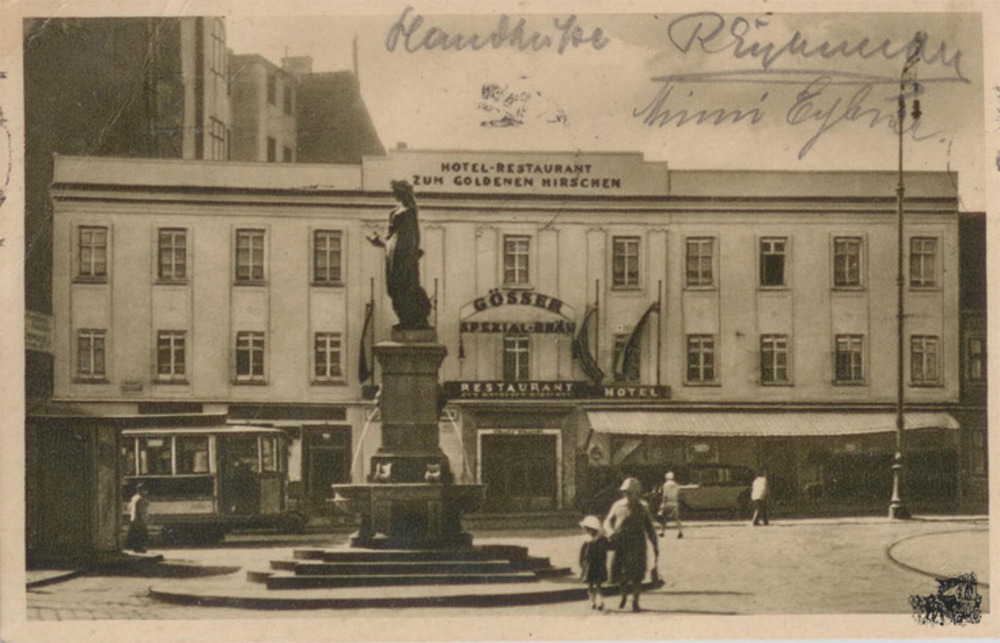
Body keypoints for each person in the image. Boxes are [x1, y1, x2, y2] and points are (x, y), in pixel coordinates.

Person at [366, 179, 432, 330]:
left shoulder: (410, 211)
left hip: (406, 256)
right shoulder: (394, 213)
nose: (393, 195)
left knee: (408, 287)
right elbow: (390, 239)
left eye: (395, 192)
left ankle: (416, 319)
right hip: (393, 256)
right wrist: (379, 242)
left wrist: (411, 256)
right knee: (394, 289)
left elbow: (415, 236)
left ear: (402, 192)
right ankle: (405, 320)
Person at [603, 477, 659, 612]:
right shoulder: (618, 505)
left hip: (637, 542)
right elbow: (607, 521)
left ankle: (635, 600)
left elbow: (649, 527)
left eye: (630, 492)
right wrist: (610, 532)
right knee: (621, 572)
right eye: (625, 492)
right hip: (621, 542)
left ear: (637, 493)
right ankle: (623, 595)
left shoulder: (643, 507)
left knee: (637, 573)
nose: (626, 495)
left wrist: (654, 543)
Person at [578, 515, 609, 610]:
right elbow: (582, 553)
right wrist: (581, 564)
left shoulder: (602, 539)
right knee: (590, 584)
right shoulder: (586, 540)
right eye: (587, 529)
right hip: (589, 565)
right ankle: (592, 600)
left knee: (599, 584)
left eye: (590, 529)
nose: (588, 531)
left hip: (599, 564)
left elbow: (606, 550)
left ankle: (599, 600)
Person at [658, 471, 692, 539]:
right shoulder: (676, 485)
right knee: (677, 518)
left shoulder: (665, 485)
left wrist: (662, 504)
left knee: (664, 518)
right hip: (675, 502)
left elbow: (665, 495)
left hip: (667, 502)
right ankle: (680, 532)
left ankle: (662, 532)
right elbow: (679, 494)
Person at [125, 483, 150, 554]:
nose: (147, 492)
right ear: (141, 490)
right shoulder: (141, 499)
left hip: (134, 519)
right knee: (142, 534)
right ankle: (140, 548)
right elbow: (141, 511)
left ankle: (136, 548)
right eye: (145, 490)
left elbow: (128, 507)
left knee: (136, 534)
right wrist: (144, 519)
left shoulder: (134, 498)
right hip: (140, 519)